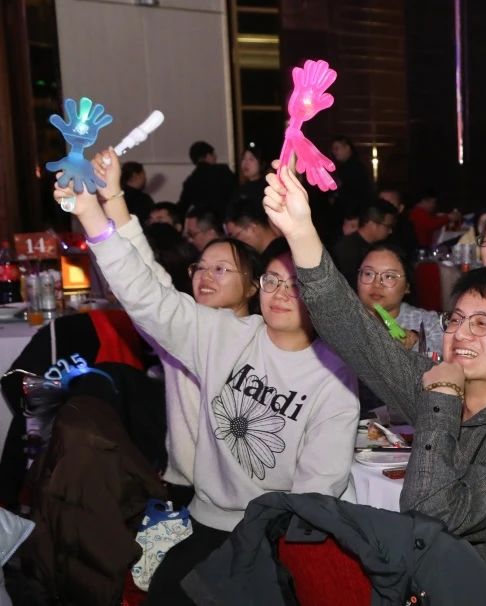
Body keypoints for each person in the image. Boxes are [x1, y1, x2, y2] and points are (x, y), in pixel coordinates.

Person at [263, 162, 486, 604]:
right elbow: (356, 334)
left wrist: (441, 399)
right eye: (457, 319)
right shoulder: (441, 385)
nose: (461, 334)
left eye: (484, 323)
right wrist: (301, 233)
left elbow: (431, 516)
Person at [54, 169, 360, 604]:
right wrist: (90, 213)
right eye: (273, 280)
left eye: (296, 284)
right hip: (209, 521)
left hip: (276, 537)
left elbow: (318, 487)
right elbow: (148, 295)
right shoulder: (223, 334)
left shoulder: (334, 373)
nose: (280, 293)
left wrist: (274, 549)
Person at [92, 148, 263, 507]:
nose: (205, 276)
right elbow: (143, 273)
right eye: (200, 267)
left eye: (221, 269)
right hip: (185, 491)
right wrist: (113, 197)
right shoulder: (184, 325)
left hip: (251, 496)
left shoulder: (262, 338)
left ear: (252, 287)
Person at [356, 242, 443, 351]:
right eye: (368, 274)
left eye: (389, 276)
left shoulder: (428, 323)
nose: (377, 284)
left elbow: (440, 355)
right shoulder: (341, 319)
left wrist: (415, 343)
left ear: (407, 286)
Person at [332, 198, 397, 279]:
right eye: (388, 226)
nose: (390, 231)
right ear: (372, 224)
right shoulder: (348, 250)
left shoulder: (374, 246)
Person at [178, 141, 236, 212]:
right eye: (213, 154)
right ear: (208, 156)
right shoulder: (223, 170)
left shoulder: (190, 181)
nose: (216, 157)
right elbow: (235, 193)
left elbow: (182, 207)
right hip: (225, 215)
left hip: (203, 217)